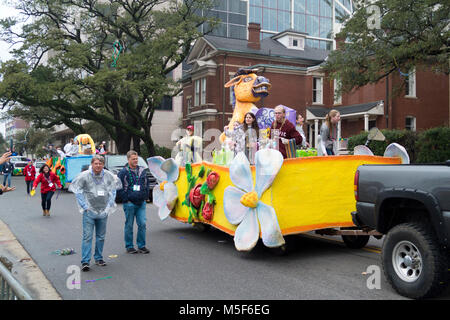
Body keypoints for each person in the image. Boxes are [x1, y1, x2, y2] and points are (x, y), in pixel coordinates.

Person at [69, 155, 122, 272]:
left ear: (103, 165)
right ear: (92, 164)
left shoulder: (108, 175)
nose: (98, 166)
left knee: (101, 237)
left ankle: (98, 258)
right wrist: (84, 206)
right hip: (89, 212)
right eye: (96, 163)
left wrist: (109, 205)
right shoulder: (85, 176)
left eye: (100, 163)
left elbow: (113, 189)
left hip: (103, 211)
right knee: (87, 237)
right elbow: (77, 190)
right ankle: (85, 261)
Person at [117, 150, 151, 254]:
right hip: (129, 203)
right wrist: (126, 199)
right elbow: (119, 187)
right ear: (128, 159)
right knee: (129, 225)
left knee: (142, 224)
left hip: (141, 202)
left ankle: (141, 245)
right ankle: (129, 246)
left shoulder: (142, 170)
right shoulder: (123, 172)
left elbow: (146, 184)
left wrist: (145, 196)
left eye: (136, 159)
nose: (136, 161)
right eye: (133, 159)